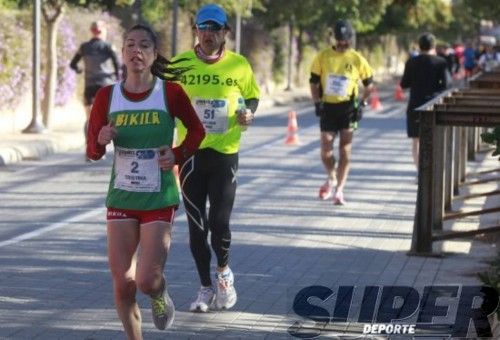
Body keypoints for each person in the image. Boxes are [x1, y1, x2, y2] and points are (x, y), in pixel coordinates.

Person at [86, 24, 205, 337]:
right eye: (129, 45)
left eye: (143, 46)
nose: (135, 51)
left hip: (159, 198)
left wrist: (176, 155)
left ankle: (160, 292)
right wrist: (100, 138)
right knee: (122, 284)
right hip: (122, 198)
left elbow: (197, 131)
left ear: (153, 55)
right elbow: (93, 152)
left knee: (145, 281)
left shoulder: (170, 93)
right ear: (123, 54)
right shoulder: (106, 96)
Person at [172, 3, 260, 313]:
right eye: (203, 28)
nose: (208, 34)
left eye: (215, 29)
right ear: (195, 30)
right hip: (191, 156)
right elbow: (164, 105)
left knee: (220, 222)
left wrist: (248, 113)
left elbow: (252, 96)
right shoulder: (179, 64)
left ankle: (224, 274)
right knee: (197, 226)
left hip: (225, 154)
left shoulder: (239, 65)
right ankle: (205, 288)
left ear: (225, 33)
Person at [309, 19, 373, 205]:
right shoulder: (322, 57)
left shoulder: (357, 59)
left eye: (346, 40)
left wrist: (363, 103)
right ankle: (332, 177)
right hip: (328, 107)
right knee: (325, 151)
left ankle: (339, 190)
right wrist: (317, 102)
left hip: (347, 108)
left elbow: (369, 85)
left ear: (351, 39)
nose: (343, 43)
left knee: (345, 150)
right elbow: (313, 82)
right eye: (340, 40)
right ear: (334, 39)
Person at [70, 20, 120, 158]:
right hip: (106, 86)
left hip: (89, 85)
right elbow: (118, 65)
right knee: (106, 117)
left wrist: (80, 70)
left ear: (91, 31)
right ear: (102, 31)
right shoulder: (108, 47)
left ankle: (90, 148)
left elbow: (73, 64)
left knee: (89, 119)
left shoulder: (84, 47)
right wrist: (118, 79)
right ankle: (100, 147)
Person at [400, 33, 448, 171]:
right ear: (434, 46)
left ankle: (419, 171)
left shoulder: (411, 62)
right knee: (433, 139)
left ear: (419, 46)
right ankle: (432, 169)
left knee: (416, 140)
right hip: (434, 105)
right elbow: (445, 85)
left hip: (415, 105)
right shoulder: (441, 62)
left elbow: (404, 84)